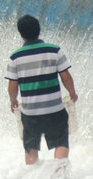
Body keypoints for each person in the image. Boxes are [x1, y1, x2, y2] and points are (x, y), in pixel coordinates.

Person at [5, 14, 79, 167]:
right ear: (39, 30)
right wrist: (72, 92)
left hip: (30, 113)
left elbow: (13, 85)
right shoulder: (54, 50)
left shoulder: (15, 57)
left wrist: (13, 101)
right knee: (60, 142)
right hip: (54, 110)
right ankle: (59, 177)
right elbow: (65, 77)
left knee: (30, 148)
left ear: (21, 34)